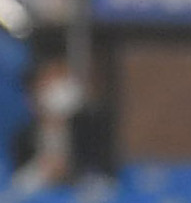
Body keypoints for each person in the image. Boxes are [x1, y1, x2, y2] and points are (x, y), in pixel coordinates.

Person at [10, 51, 117, 192]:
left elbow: (107, 179)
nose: (59, 89)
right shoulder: (23, 138)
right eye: (50, 83)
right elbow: (17, 186)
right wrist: (42, 171)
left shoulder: (93, 133)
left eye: (63, 80)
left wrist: (71, 172)